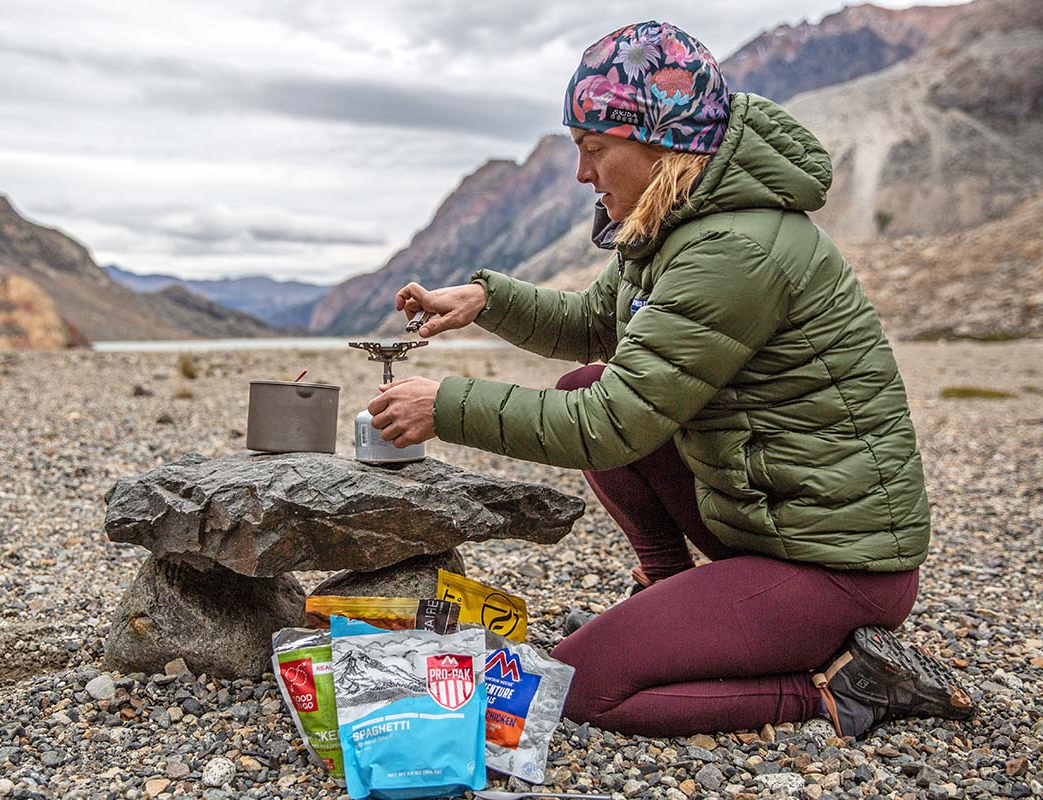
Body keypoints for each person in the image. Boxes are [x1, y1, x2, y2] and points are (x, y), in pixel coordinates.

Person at [364, 21, 976, 738]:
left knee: (580, 688)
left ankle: (842, 692)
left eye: (594, 150)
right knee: (584, 377)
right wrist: (485, 300)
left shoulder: (735, 250)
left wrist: (448, 404)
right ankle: (672, 590)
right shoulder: (676, 224)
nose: (582, 174)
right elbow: (595, 322)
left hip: (838, 567)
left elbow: (611, 423)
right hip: (769, 521)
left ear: (664, 142)